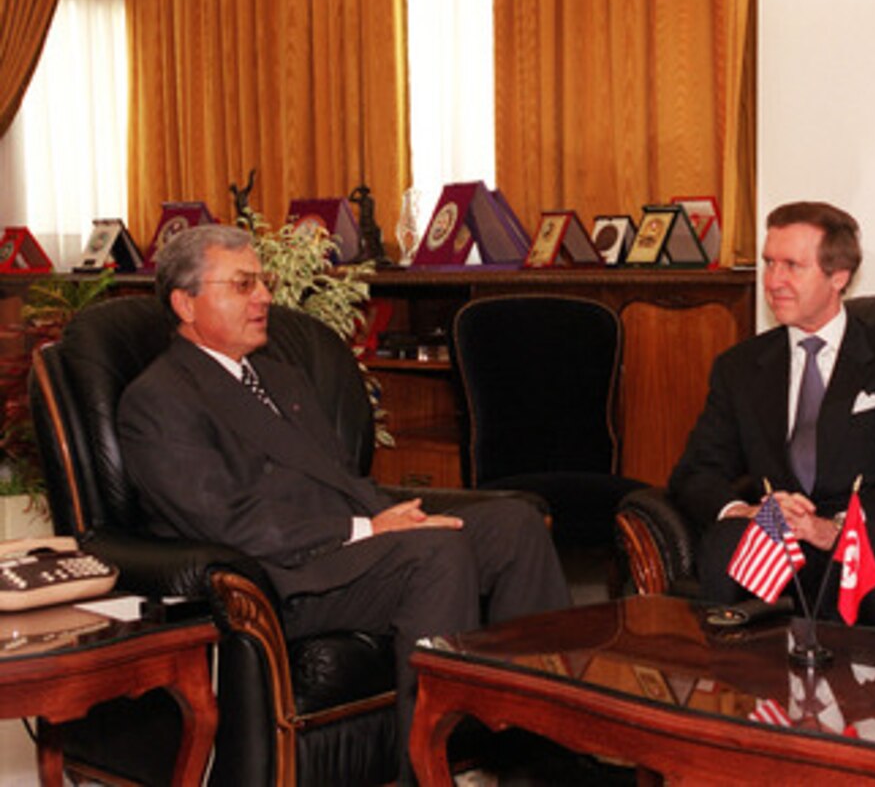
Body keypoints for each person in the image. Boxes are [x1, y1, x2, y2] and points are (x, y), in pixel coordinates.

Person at [117, 224, 570, 779]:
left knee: (513, 525)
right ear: (186, 303)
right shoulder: (159, 399)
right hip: (279, 576)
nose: (264, 297)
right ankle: (425, 772)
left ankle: (539, 756)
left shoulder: (279, 377)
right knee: (433, 554)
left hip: (344, 544)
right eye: (242, 285)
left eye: (263, 281)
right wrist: (367, 529)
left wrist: (393, 514)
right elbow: (228, 522)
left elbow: (339, 475)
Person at [669, 201, 875, 628]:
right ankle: (737, 687)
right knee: (730, 541)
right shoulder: (740, 367)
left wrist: (833, 527)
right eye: (770, 263)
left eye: (792, 266)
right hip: (783, 533)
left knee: (862, 549)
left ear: (838, 277)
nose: (773, 281)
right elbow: (695, 472)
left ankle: (867, 691)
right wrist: (746, 511)